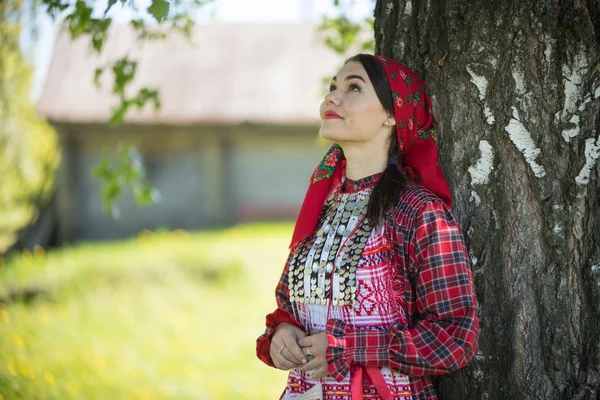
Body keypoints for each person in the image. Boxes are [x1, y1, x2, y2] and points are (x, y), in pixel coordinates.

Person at [256, 53, 479, 400]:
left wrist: (353, 347)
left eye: (353, 87)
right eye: (332, 87)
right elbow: (288, 301)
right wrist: (283, 332)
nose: (331, 97)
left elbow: (455, 337)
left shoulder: (419, 212)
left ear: (391, 115)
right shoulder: (324, 205)